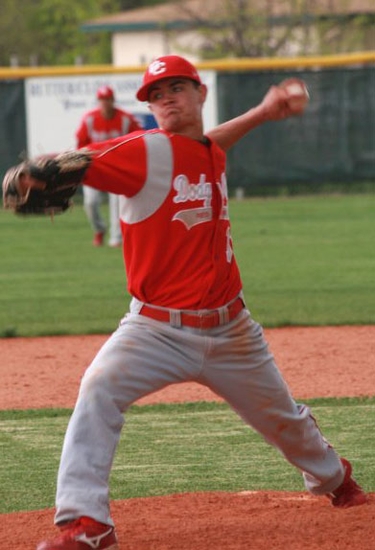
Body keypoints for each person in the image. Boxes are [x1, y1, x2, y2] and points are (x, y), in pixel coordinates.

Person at [18, 55, 366, 550]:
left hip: (232, 330)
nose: (166, 100)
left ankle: (336, 481)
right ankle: (85, 524)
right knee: (98, 387)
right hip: (155, 330)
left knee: (282, 418)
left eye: (176, 88)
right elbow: (86, 159)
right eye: (156, 95)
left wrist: (264, 113)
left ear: (201, 94)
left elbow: (210, 142)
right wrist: (38, 174)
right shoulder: (143, 150)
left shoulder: (204, 150)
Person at [76, 85, 143, 247]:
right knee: (90, 202)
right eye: (102, 100)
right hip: (94, 166)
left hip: (117, 167)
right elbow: (81, 144)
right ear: (98, 101)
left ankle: (116, 238)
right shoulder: (90, 120)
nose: (105, 103)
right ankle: (99, 229)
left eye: (107, 99)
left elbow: (139, 139)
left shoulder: (125, 119)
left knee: (117, 202)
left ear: (113, 100)